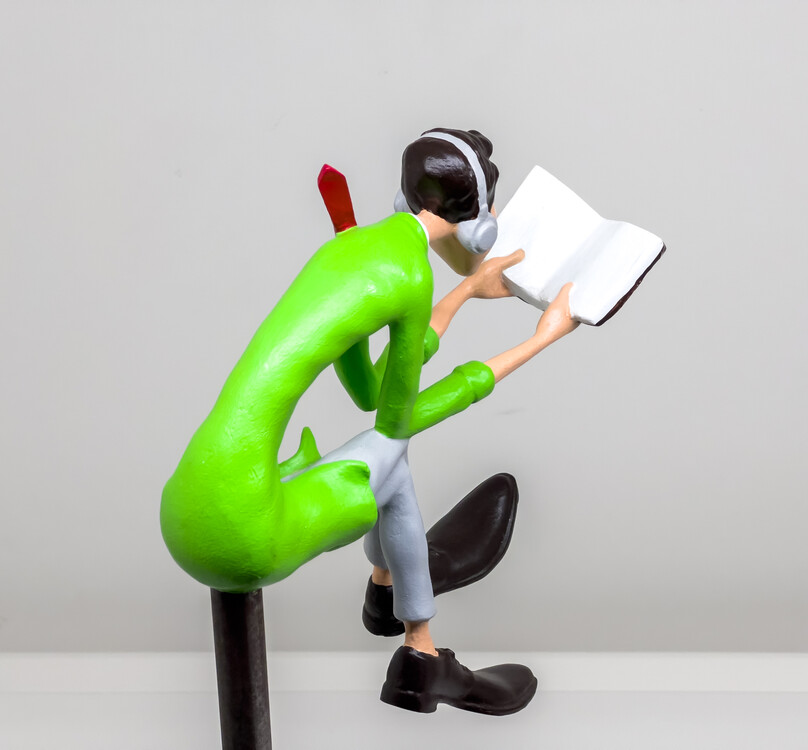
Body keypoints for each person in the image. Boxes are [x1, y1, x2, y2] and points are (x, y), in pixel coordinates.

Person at [161, 128, 578, 715]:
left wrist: (462, 293)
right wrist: (541, 338)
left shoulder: (349, 246)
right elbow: (397, 420)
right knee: (390, 457)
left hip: (187, 504)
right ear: (480, 225)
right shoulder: (413, 274)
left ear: (405, 196)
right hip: (240, 537)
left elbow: (366, 388)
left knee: (382, 457)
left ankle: (388, 587)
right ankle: (420, 651)